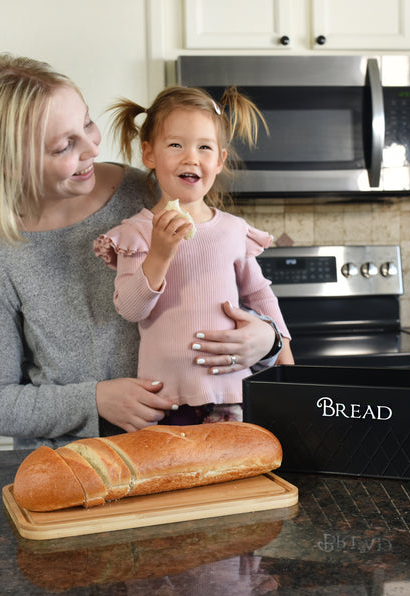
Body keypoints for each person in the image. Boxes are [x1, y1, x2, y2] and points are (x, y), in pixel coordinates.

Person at [0, 54, 284, 450]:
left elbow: (228, 286)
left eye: (88, 123)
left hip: (192, 445)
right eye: (65, 146)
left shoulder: (151, 191)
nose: (93, 148)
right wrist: (93, 400)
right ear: (12, 164)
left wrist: (267, 342)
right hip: (81, 466)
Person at [94, 86, 293, 425]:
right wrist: (159, 253)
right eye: (176, 145)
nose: (191, 157)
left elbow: (259, 293)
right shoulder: (136, 232)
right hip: (162, 400)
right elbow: (130, 309)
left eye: (204, 147)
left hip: (232, 394)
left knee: (234, 475)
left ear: (219, 161)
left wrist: (283, 355)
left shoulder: (232, 230)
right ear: (149, 155)